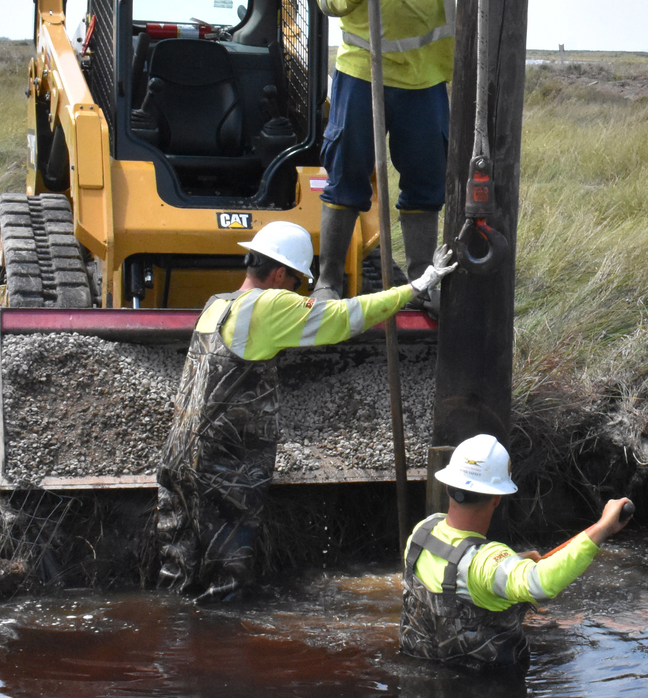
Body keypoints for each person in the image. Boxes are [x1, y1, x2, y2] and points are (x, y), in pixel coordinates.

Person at [155, 220, 457, 602]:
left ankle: (169, 644)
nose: (299, 290)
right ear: (280, 273)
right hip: (223, 468)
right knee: (223, 584)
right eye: (298, 281)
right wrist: (415, 287)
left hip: (178, 460)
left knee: (178, 572)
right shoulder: (269, 304)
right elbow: (344, 316)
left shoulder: (217, 305)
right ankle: (217, 654)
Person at [314, 0, 463, 308]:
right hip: (364, 74)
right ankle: (329, 280)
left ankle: (421, 281)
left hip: (425, 80)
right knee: (347, 175)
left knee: (425, 181)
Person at [400, 435, 633, 673]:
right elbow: (539, 584)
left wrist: (514, 562)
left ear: (449, 487)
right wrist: (603, 527)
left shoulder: (424, 530)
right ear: (497, 498)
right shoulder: (488, 562)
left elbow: (457, 568)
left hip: (422, 680)